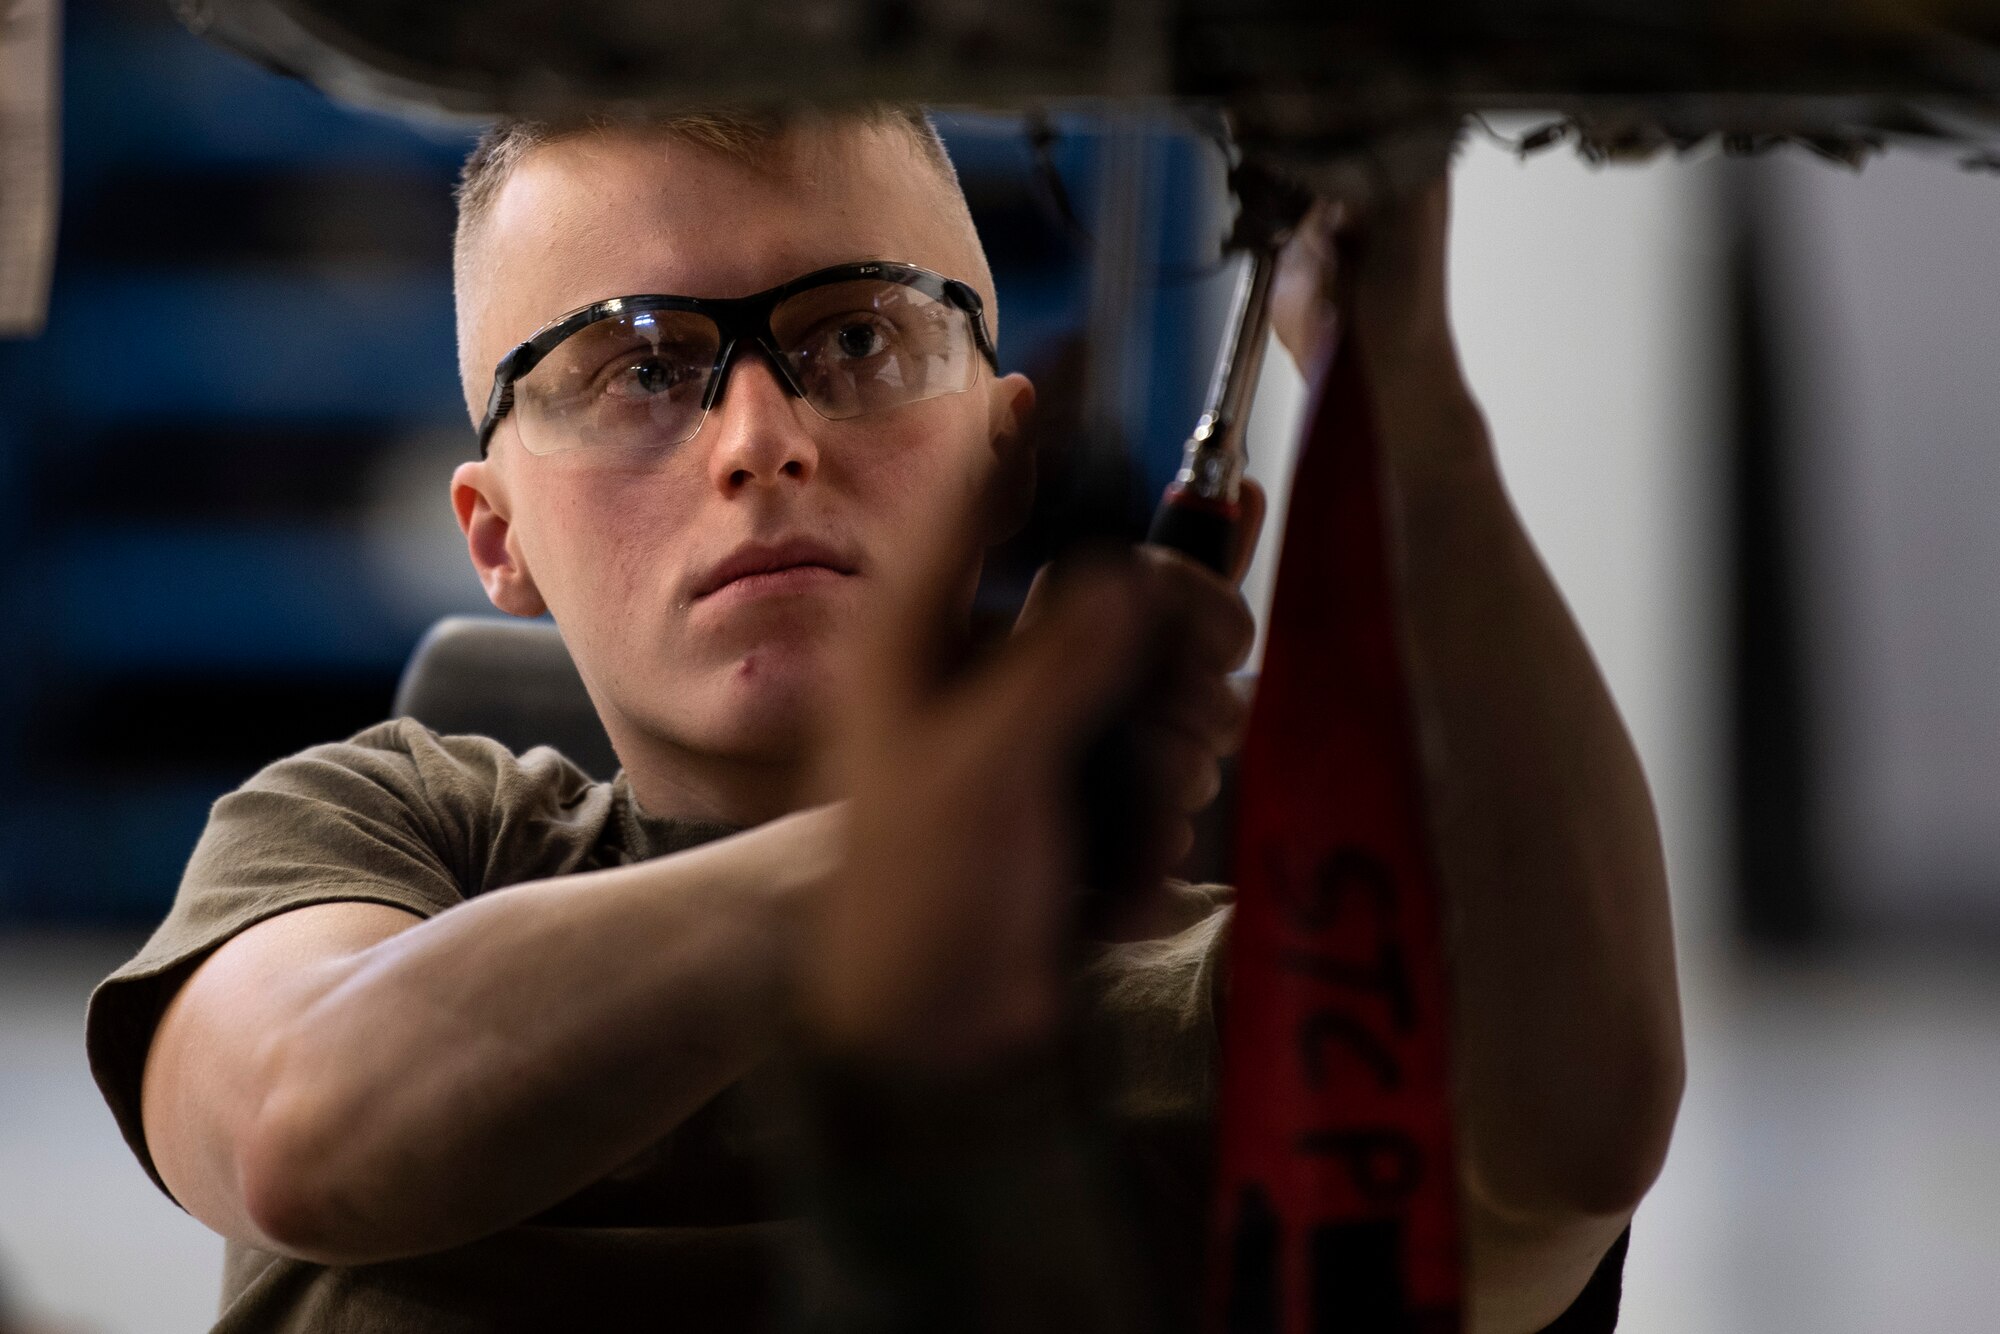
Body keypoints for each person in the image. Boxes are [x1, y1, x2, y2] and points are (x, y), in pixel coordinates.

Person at [84, 107, 1683, 1333]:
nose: (760, 439)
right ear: (495, 533)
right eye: (638, 369)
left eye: (856, 339)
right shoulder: (386, 832)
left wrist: (1395, 379)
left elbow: (1567, 1140)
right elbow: (302, 1124)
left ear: (1006, 456)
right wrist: (935, 841)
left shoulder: (1209, 958)